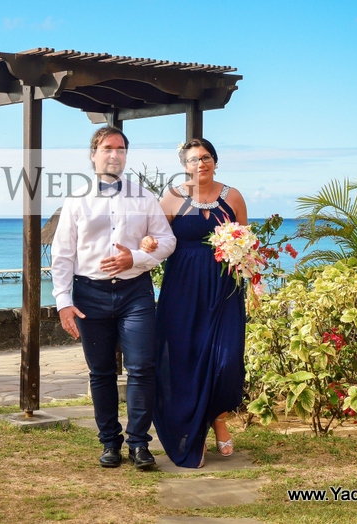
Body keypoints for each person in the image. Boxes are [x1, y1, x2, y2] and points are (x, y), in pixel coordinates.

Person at [52, 126, 176, 470]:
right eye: (108, 148)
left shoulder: (144, 198)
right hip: (89, 294)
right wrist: (63, 301)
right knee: (101, 372)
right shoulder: (76, 200)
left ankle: (139, 444)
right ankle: (109, 442)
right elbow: (62, 254)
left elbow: (167, 241)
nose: (115, 154)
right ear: (93, 155)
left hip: (135, 292)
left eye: (121, 149)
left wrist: (134, 257)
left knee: (142, 367)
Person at [142, 137, 248, 468]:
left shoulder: (233, 197)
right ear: (184, 165)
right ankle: (195, 434)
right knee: (184, 359)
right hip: (182, 290)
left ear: (214, 160)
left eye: (205, 157)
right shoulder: (173, 197)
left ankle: (218, 418)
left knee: (226, 360)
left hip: (224, 290)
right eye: (193, 159)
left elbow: (246, 243)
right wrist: (147, 242)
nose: (200, 163)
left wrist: (251, 277)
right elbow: (157, 236)